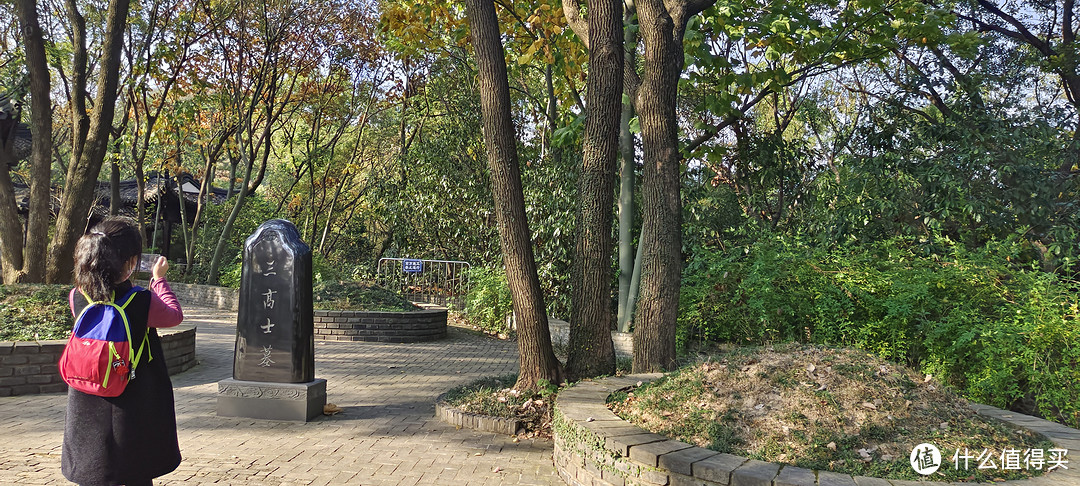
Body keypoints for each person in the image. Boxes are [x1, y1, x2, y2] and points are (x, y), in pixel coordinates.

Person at [62, 217, 184, 486]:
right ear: (130, 262)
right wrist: (159, 281)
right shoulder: (141, 300)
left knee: (94, 470)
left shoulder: (78, 296)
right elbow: (173, 316)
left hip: (88, 396)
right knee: (134, 470)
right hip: (133, 399)